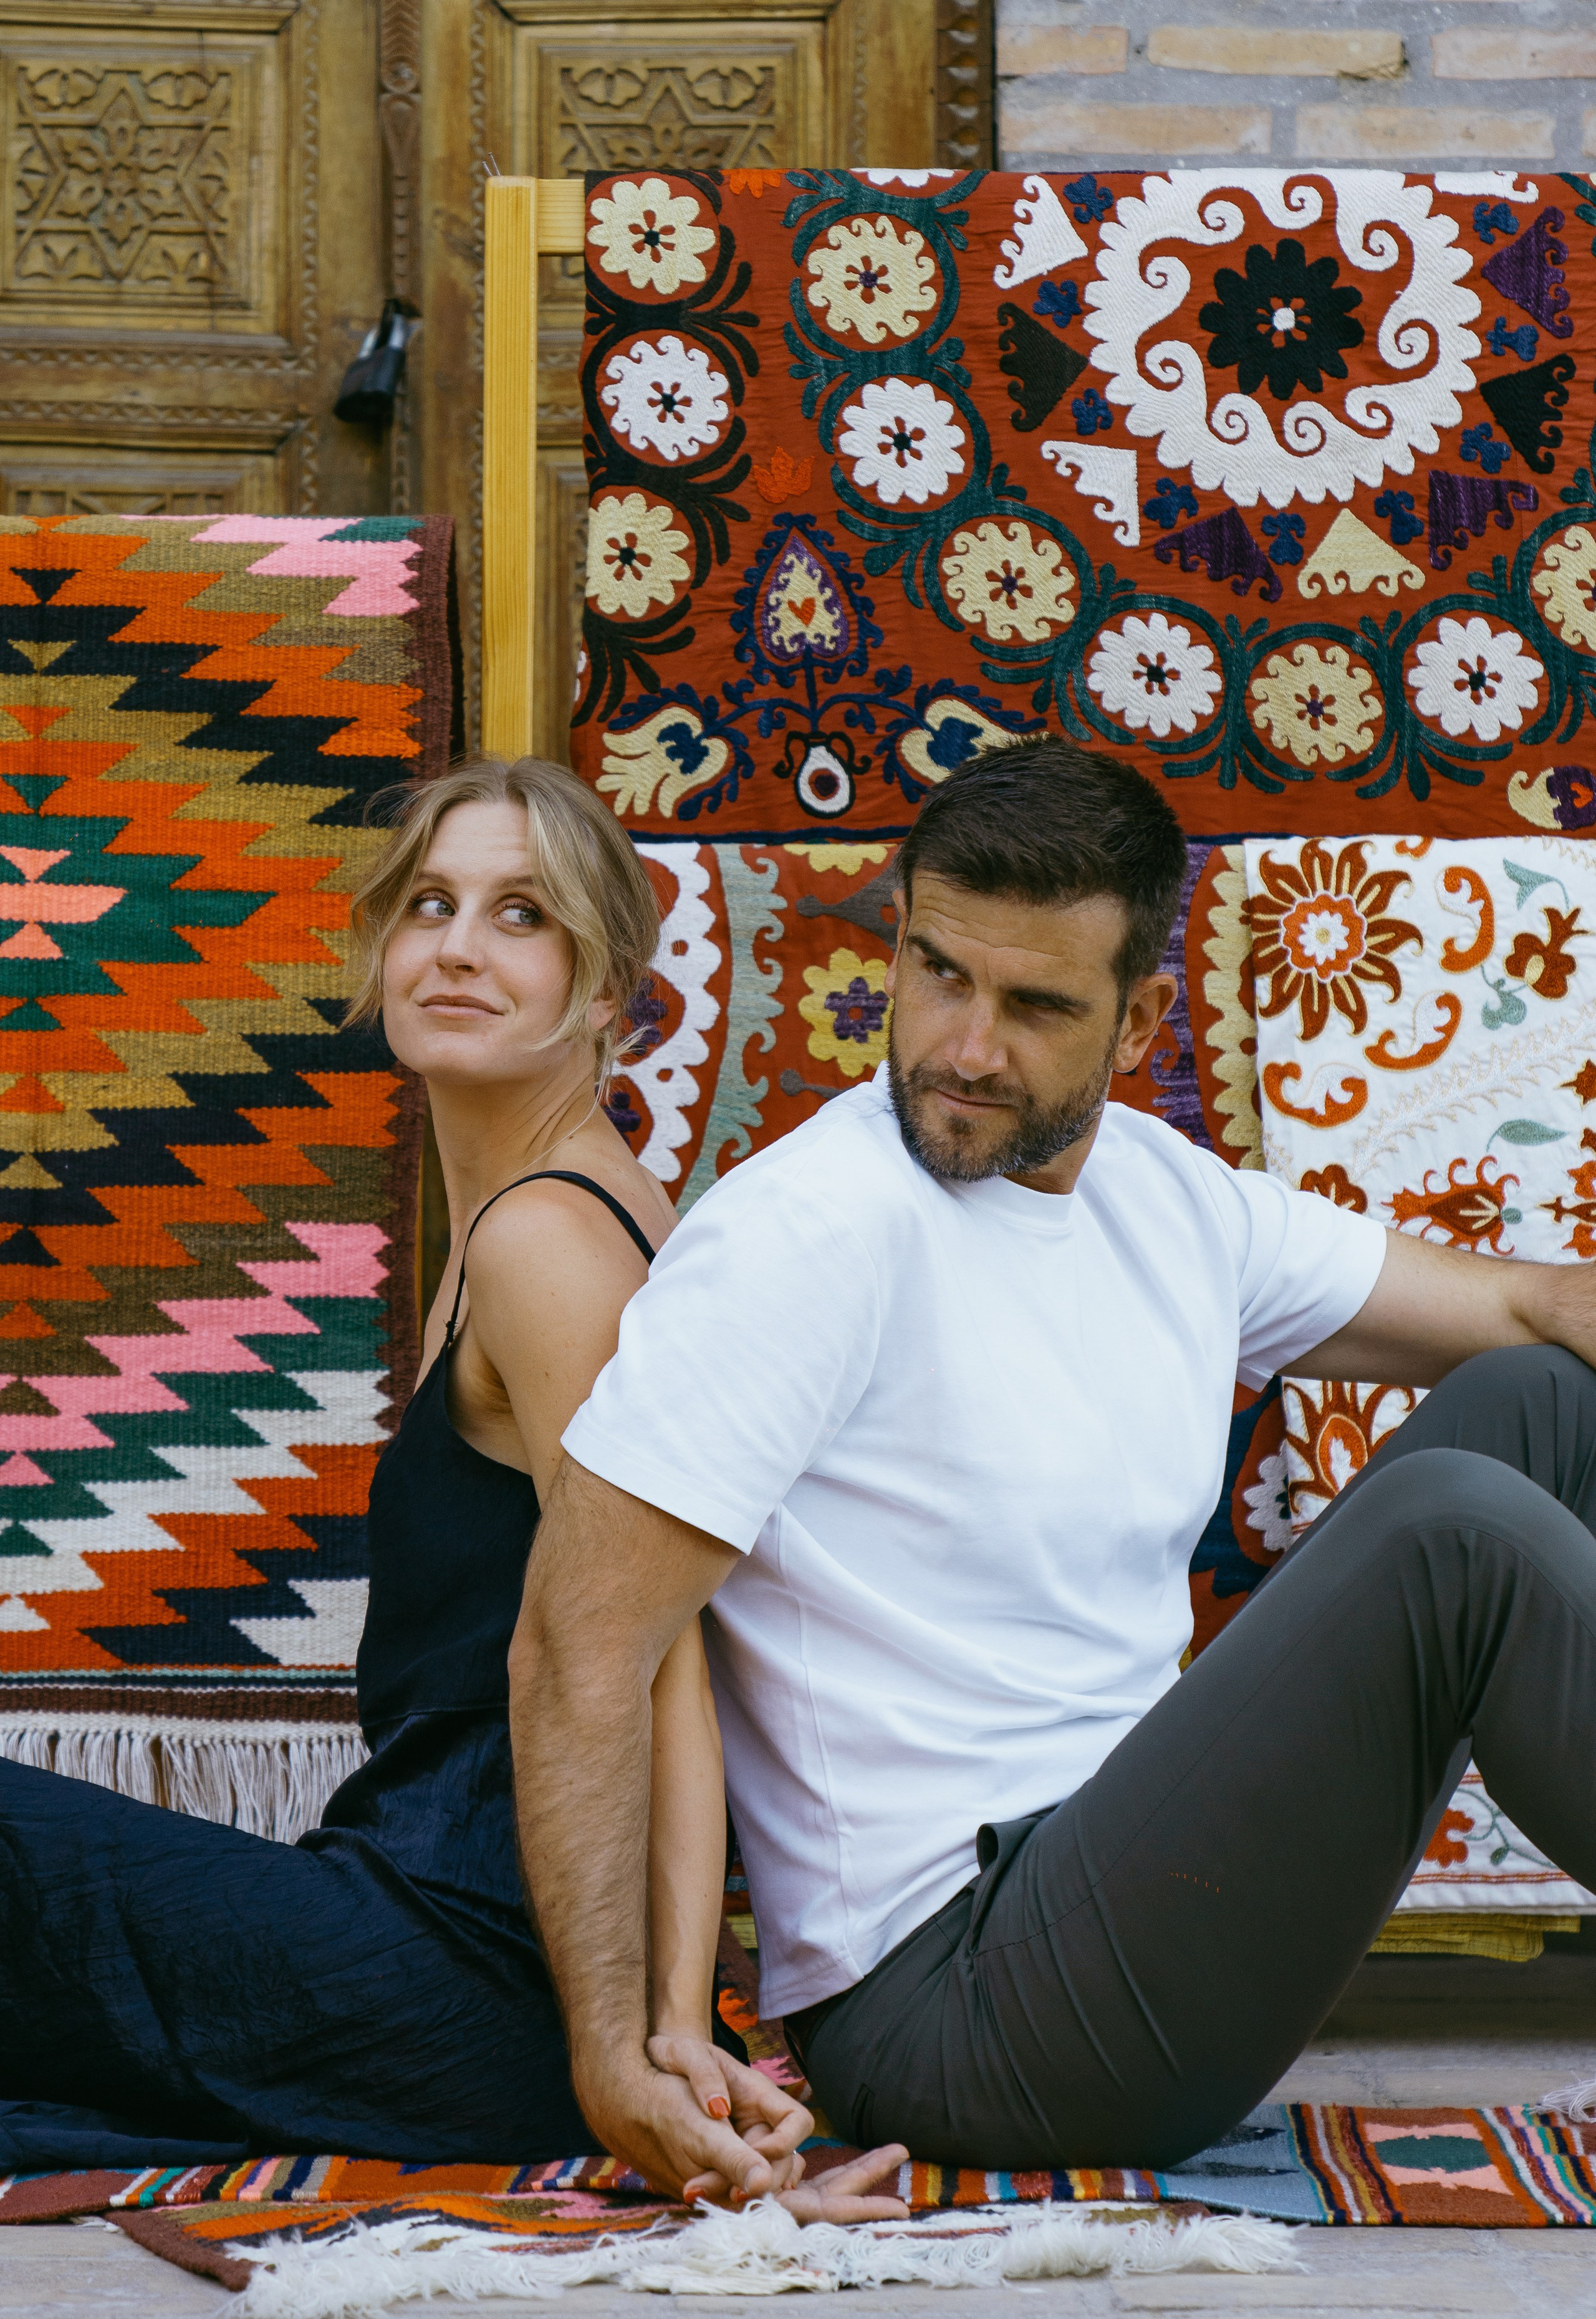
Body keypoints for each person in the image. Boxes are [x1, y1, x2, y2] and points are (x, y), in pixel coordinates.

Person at [513, 738, 1596, 2196]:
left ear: (1142, 1016)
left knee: (1534, 1398)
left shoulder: (1168, 1195)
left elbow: (1527, 1306)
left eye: (1033, 1005)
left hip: (1139, 1893)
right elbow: (574, 1645)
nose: (964, 1045)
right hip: (954, 2003)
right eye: (938, 972)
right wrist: (609, 2049)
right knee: (1450, 1529)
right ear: (893, 945)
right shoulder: (807, 1234)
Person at [0, 756, 865, 2187]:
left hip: (475, 1970)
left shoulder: (549, 1242)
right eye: (429, 904)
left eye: (521, 914)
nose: (457, 945)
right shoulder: (522, 1219)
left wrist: (654, 2029)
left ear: (604, 995)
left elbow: (659, 1652)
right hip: (434, 1926)